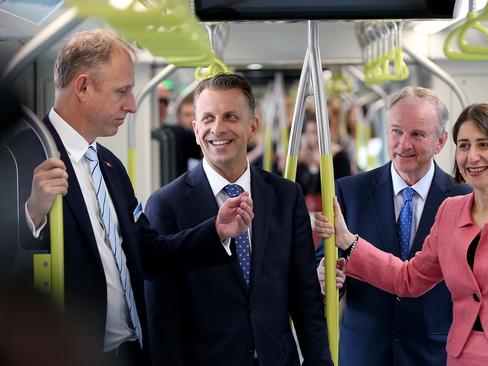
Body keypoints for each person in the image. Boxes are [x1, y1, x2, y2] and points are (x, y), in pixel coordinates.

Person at [22, 29, 251, 365]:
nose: (131, 105)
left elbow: (149, 254)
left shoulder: (109, 166)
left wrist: (215, 232)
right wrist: (33, 214)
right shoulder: (23, 156)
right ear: (83, 87)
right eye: (122, 91)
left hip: (131, 353)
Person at [316, 103, 488, 365]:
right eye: (465, 145)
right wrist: (349, 242)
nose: (472, 156)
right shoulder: (451, 213)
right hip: (462, 357)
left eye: (484, 144)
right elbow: (408, 278)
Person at [144, 73, 332, 366]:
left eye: (230, 116)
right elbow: (162, 316)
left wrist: (320, 361)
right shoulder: (167, 204)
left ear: (253, 126)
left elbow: (305, 296)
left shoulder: (285, 196)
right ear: (195, 129)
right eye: (207, 118)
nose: (217, 129)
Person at [315, 87, 471, 366]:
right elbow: (325, 261)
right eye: (396, 131)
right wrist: (326, 278)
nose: (403, 144)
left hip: (434, 353)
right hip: (364, 352)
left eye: (417, 134)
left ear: (441, 141)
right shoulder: (350, 192)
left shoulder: (463, 200)